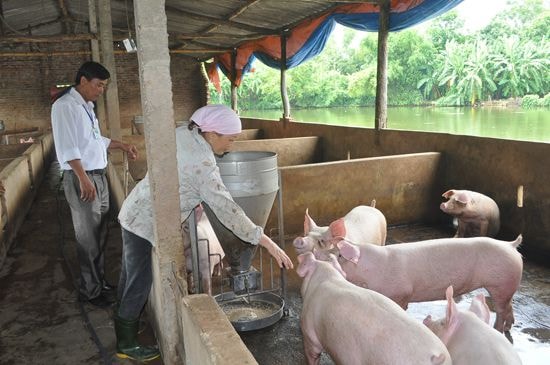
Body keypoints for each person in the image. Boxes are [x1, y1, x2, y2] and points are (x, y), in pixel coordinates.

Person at [115, 104, 293, 362]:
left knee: (128, 273)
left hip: (135, 211)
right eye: (230, 139)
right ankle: (126, 342)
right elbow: (228, 210)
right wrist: (267, 243)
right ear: (212, 133)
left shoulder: (184, 133)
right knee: (139, 281)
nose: (230, 145)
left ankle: (124, 320)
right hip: (144, 222)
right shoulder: (203, 166)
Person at [51, 61, 138, 308]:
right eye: (99, 85)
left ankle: (99, 282)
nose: (101, 90)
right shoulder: (65, 106)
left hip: (96, 176)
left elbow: (95, 140)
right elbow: (68, 147)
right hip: (84, 178)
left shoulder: (86, 106)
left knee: (100, 231)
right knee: (87, 237)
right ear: (83, 81)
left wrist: (121, 145)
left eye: (104, 86)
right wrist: (82, 178)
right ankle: (90, 291)